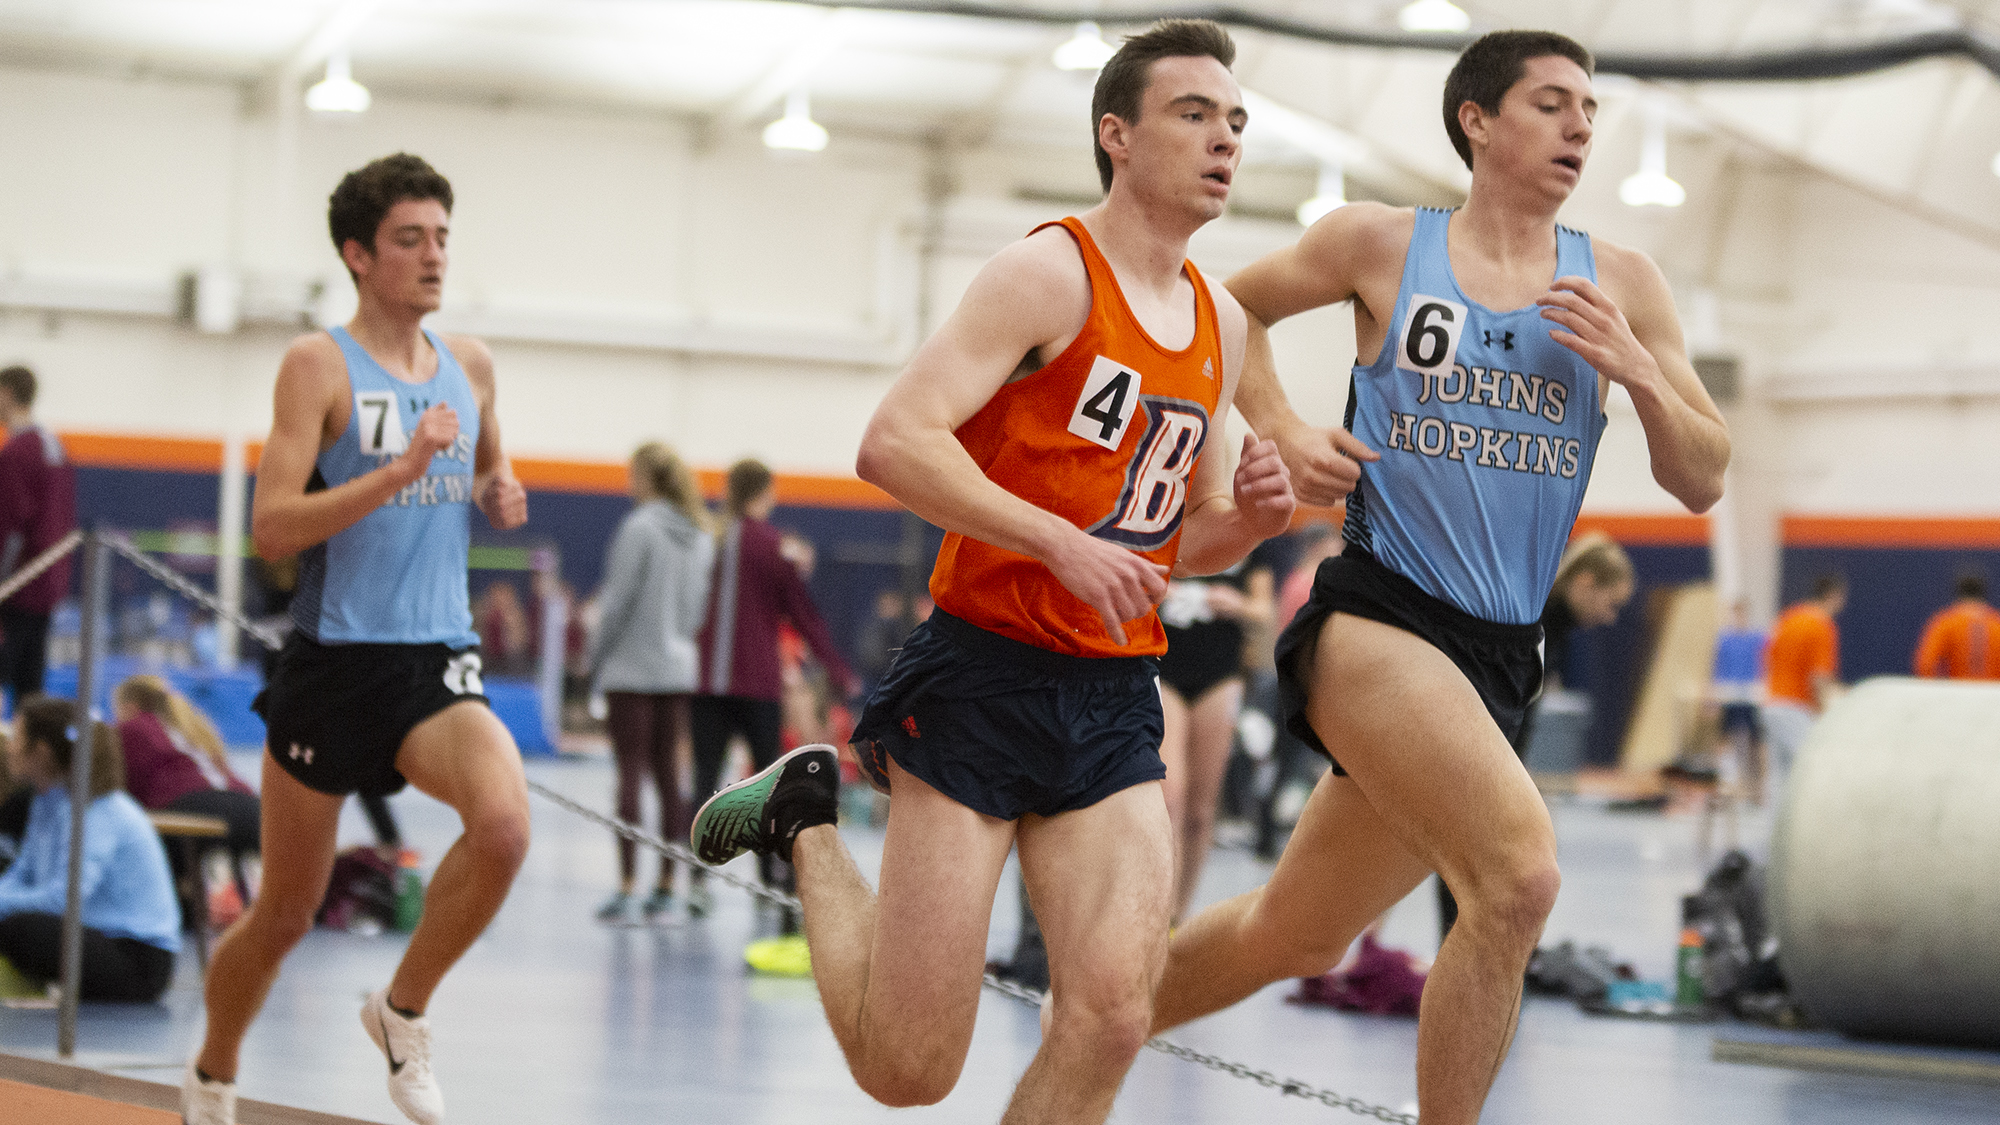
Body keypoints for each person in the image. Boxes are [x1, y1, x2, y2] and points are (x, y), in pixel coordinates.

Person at [694, 21, 1294, 1120]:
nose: (1224, 141)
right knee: (906, 1071)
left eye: (1237, 122)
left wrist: (1246, 523)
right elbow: (893, 441)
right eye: (1194, 115)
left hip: (1112, 698)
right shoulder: (1045, 271)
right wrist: (1056, 540)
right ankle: (806, 822)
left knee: (1114, 1015)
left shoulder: (1222, 325)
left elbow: (1179, 542)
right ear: (1116, 135)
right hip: (982, 678)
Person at [1143, 31, 1729, 1125]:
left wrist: (1638, 373)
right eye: (1550, 104)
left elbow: (1700, 478)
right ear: (1476, 120)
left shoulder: (1621, 284)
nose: (1579, 127)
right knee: (1519, 882)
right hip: (1380, 616)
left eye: (1588, 111)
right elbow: (1215, 310)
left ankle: (1097, 1021)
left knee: (1297, 932)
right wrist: (1281, 426)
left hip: (1501, 654)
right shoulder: (1376, 242)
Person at [182, 153, 531, 1125]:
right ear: (357, 255)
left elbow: (488, 454)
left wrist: (498, 487)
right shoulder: (317, 365)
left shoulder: (473, 364)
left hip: (435, 660)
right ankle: (211, 1072)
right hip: (334, 665)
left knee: (502, 827)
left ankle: (401, 1010)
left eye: (442, 239)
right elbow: (271, 530)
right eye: (409, 240)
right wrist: (394, 472)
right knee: (284, 914)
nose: (432, 257)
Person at [686, 459, 855, 929]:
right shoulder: (773, 547)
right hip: (758, 685)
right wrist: (838, 667)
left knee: (703, 777)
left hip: (705, 684)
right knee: (766, 785)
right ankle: (768, 885)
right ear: (765, 492)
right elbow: (804, 614)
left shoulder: (709, 541)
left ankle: (696, 882)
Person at [585, 441, 714, 923]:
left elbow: (616, 604)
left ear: (646, 478)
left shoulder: (638, 528)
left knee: (630, 777)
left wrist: (593, 657)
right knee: (668, 777)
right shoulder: (702, 535)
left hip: (631, 671)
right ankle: (666, 882)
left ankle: (626, 884)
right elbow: (698, 611)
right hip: (678, 670)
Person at [0, 696, 181, 1003]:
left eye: (18, 737)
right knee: (15, 918)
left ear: (41, 752)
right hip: (98, 937)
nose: (10, 747)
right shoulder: (47, 802)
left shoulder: (96, 812)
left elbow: (63, 899)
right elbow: (22, 874)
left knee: (20, 927)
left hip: (138, 957)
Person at [1157, 542, 1276, 922]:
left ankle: (1177, 914)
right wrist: (1168, 592)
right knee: (1169, 797)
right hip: (1166, 669)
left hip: (1219, 677)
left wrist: (1233, 603)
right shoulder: (1174, 520)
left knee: (1200, 811)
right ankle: (1155, 913)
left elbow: (1263, 610)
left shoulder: (1252, 539)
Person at [113, 674, 261, 897]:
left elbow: (126, 794)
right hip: (252, 810)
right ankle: (227, 897)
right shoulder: (193, 726)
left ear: (130, 706)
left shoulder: (132, 728)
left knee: (144, 838)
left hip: (194, 808)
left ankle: (188, 906)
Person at [0, 364, 77, 709]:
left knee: (14, 677)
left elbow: (11, 525)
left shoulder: (18, 453)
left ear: (8, 395)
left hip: (17, 586)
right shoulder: (55, 447)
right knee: (30, 688)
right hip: (47, 585)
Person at [1762, 573, 1845, 805]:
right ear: (1834, 596)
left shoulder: (1787, 618)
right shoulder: (1821, 625)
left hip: (1772, 702)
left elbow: (1768, 655)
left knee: (1779, 780)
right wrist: (1822, 711)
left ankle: (1773, 839)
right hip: (1795, 706)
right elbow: (1819, 676)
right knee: (1817, 765)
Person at [1711, 599, 1767, 800]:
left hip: (1752, 695)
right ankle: (1726, 782)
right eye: (1735, 614)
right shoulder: (1724, 639)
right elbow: (1718, 668)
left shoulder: (1758, 638)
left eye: (1741, 613)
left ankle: (1758, 788)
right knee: (1725, 738)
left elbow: (1767, 663)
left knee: (1756, 741)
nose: (1738, 618)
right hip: (1729, 694)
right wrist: (1714, 699)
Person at [1913, 571, 2000, 680]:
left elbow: (1925, 664)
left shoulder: (1946, 622)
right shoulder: (1996, 623)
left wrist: (1936, 692)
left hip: (1958, 692)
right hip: (1994, 692)